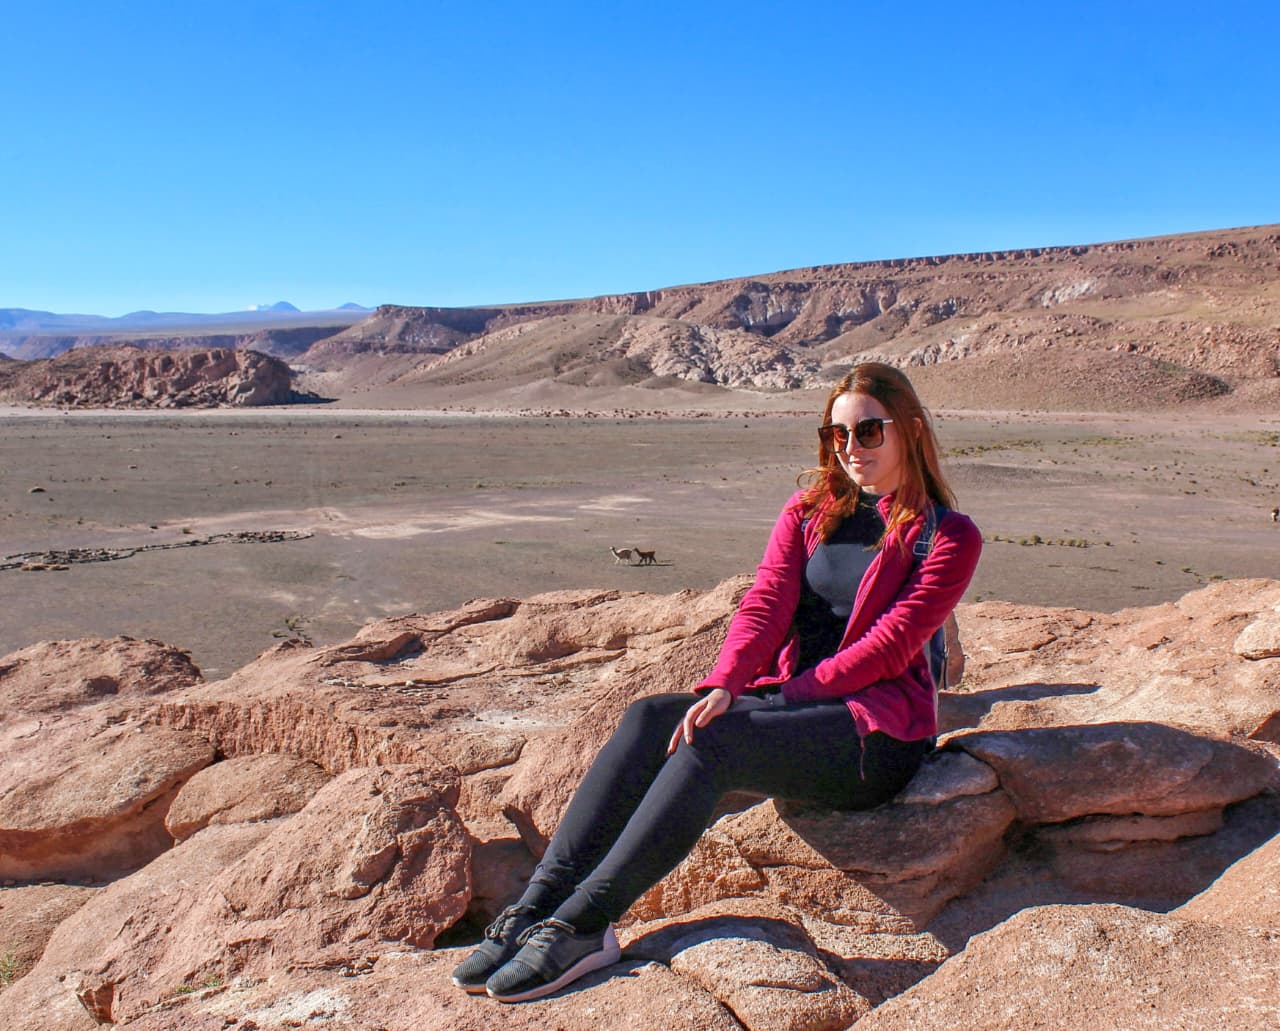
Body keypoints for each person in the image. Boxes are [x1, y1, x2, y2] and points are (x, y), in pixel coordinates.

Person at [451, 362, 983, 1003]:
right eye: (836, 434)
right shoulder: (810, 513)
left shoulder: (946, 535)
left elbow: (889, 646)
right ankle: (537, 905)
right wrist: (726, 684)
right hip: (796, 707)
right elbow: (766, 604)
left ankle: (585, 924)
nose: (850, 448)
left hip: (875, 736)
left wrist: (778, 700)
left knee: (714, 743)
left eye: (868, 431)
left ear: (912, 431)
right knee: (650, 716)